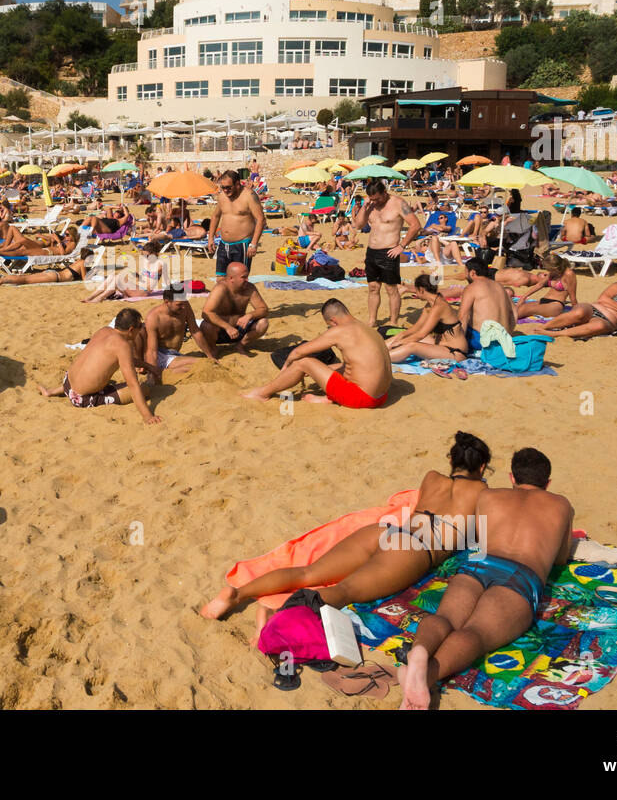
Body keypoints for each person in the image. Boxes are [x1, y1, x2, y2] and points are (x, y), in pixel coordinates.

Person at [201, 431, 491, 620]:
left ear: (451, 459)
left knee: (309, 572)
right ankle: (275, 617)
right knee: (344, 591)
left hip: (386, 533)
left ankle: (237, 593)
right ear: (481, 468)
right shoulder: (484, 494)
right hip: (414, 551)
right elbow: (483, 542)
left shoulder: (431, 477)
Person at [399, 447, 573, 709]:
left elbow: (479, 542)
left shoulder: (489, 496)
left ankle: (421, 650)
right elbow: (560, 558)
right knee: (476, 633)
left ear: (512, 477)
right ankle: (428, 674)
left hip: (480, 564)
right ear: (547, 483)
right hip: (520, 576)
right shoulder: (561, 505)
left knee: (446, 618)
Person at [242, 298, 391, 408]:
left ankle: (262, 393)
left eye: (329, 326)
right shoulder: (367, 329)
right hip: (382, 396)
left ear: (333, 321)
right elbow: (356, 366)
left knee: (303, 362)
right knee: (334, 366)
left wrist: (286, 367)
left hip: (362, 398)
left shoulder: (340, 330)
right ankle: (330, 398)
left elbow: (298, 352)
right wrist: (320, 370)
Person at [38, 308, 161, 425]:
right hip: (82, 399)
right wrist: (147, 416)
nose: (141, 329)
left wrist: (147, 366)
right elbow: (132, 384)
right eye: (140, 327)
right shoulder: (122, 345)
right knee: (143, 388)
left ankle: (51, 392)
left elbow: (126, 360)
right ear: (131, 329)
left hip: (67, 384)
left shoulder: (104, 330)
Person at [350, 178, 422, 326]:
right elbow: (358, 224)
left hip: (390, 251)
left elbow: (415, 225)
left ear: (384, 193)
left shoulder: (398, 203)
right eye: (372, 199)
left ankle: (393, 321)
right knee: (373, 287)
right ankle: (372, 321)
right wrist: (365, 207)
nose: (375, 202)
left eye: (377, 199)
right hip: (372, 251)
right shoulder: (370, 205)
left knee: (391, 289)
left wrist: (401, 246)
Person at [533, 275, 617, 339]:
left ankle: (556, 334)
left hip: (607, 321)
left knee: (599, 326)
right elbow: (603, 299)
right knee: (579, 312)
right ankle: (544, 327)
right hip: (593, 309)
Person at [386, 275, 469, 367]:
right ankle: (378, 350)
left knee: (412, 346)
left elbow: (421, 334)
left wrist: (399, 343)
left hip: (455, 352)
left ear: (421, 290)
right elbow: (416, 328)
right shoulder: (430, 305)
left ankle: (381, 358)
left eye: (416, 290)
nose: (416, 293)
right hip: (441, 345)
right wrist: (399, 337)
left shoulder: (439, 306)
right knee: (404, 336)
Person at [142, 284, 218, 381]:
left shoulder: (185, 306)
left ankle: (170, 370)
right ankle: (163, 372)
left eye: (184, 303)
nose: (183, 307)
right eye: (179, 304)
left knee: (202, 364)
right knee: (199, 364)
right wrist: (152, 374)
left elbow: (195, 331)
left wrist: (210, 355)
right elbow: (151, 351)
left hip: (174, 354)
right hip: (161, 355)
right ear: (167, 302)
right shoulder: (154, 318)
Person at [200, 262, 270, 351]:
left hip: (239, 330)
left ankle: (240, 345)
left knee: (263, 323)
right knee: (206, 326)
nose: (247, 280)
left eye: (247, 276)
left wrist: (249, 315)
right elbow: (206, 313)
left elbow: (264, 309)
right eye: (243, 277)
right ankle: (213, 348)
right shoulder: (221, 289)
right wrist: (227, 327)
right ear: (231, 278)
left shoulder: (249, 288)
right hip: (220, 331)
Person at [207, 170, 265, 277]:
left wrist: (254, 243)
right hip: (223, 244)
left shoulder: (249, 196)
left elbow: (261, 219)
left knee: (239, 281)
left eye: (228, 187)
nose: (225, 190)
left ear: (238, 184)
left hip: (242, 244)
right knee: (221, 279)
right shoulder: (222, 196)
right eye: (223, 187)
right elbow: (216, 216)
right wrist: (211, 237)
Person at [457, 258, 516, 352]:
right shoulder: (499, 286)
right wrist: (509, 333)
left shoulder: (471, 288)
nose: (465, 275)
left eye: (466, 272)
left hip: (483, 341)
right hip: (504, 339)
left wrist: (459, 344)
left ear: (472, 273)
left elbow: (463, 316)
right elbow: (514, 313)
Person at [82, 241, 167, 302]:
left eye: (146, 255)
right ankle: (91, 296)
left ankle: (100, 298)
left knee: (118, 278)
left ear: (154, 253)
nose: (144, 257)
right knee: (113, 276)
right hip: (137, 288)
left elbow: (162, 281)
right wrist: (135, 274)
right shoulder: (145, 261)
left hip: (143, 292)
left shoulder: (160, 264)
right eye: (143, 255)